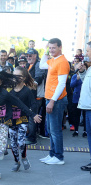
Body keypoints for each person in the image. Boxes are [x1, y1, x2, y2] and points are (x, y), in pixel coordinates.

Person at [0, 71, 41, 180]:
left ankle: (7, 153)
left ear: (1, 83)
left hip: (4, 123)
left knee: (2, 146)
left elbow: (20, 104)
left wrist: (32, 114)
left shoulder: (5, 93)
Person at [39, 38, 70, 165]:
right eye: (50, 48)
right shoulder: (53, 60)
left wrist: (52, 101)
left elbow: (62, 84)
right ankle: (53, 154)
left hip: (56, 100)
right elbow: (41, 65)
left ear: (60, 47)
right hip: (51, 99)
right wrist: (45, 50)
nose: (51, 50)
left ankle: (58, 157)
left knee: (55, 130)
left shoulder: (62, 62)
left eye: (53, 48)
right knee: (51, 129)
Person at [9, 66, 37, 172]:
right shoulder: (9, 90)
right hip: (11, 120)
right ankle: (16, 161)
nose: (16, 78)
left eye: (19, 76)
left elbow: (34, 104)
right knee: (13, 143)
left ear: (24, 78)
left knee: (21, 142)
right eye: (14, 76)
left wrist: (32, 113)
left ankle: (24, 157)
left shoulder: (27, 91)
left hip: (23, 119)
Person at [26, 48, 46, 145]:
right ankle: (31, 135)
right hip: (31, 95)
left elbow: (39, 77)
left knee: (32, 117)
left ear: (35, 55)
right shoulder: (29, 65)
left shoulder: (38, 64)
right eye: (27, 55)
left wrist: (30, 84)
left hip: (36, 96)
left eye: (30, 55)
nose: (28, 57)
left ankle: (31, 139)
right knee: (32, 116)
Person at [77, 41, 91, 171]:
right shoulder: (90, 68)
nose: (86, 53)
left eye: (87, 51)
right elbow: (84, 82)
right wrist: (82, 72)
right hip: (87, 107)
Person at [70, 63, 87, 137]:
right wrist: (76, 80)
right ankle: (76, 130)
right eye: (79, 66)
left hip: (85, 98)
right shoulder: (75, 76)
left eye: (82, 65)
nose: (80, 67)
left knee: (85, 115)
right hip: (76, 98)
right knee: (76, 115)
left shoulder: (87, 75)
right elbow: (71, 85)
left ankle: (85, 131)